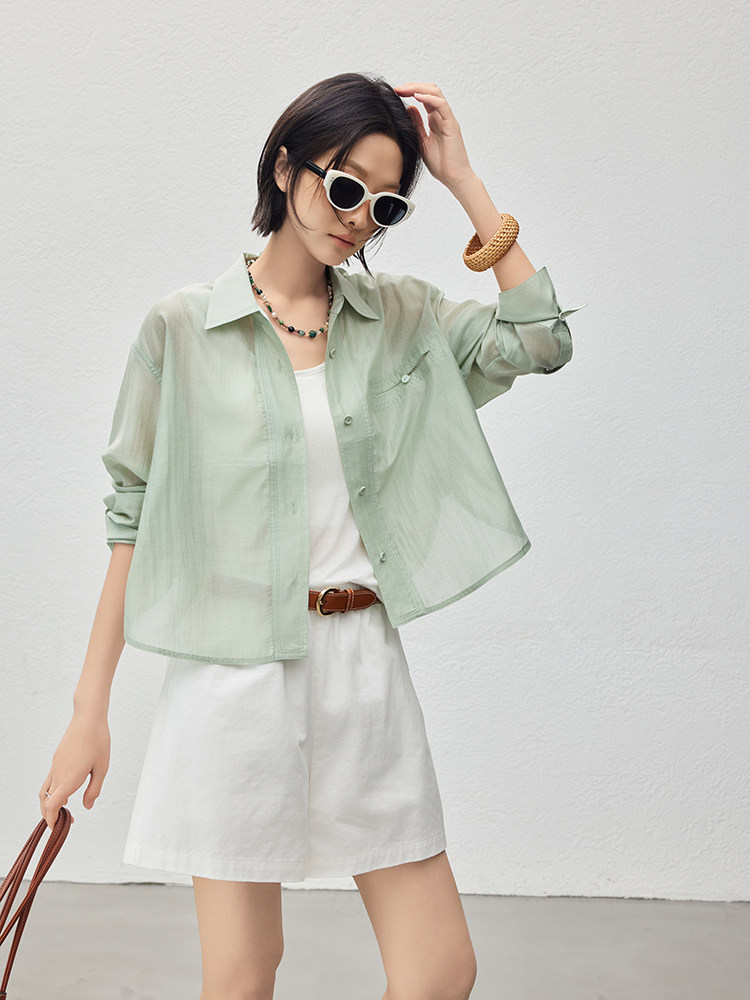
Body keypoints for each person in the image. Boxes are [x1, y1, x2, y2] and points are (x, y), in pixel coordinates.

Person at [39, 73, 584, 1000]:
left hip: (364, 668)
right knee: (244, 975)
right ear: (288, 167)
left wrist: (464, 182)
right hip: (233, 679)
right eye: (344, 187)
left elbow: (541, 341)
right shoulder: (182, 329)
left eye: (385, 205)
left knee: (440, 968)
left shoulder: (402, 320)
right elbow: (131, 518)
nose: (359, 219)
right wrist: (88, 713)